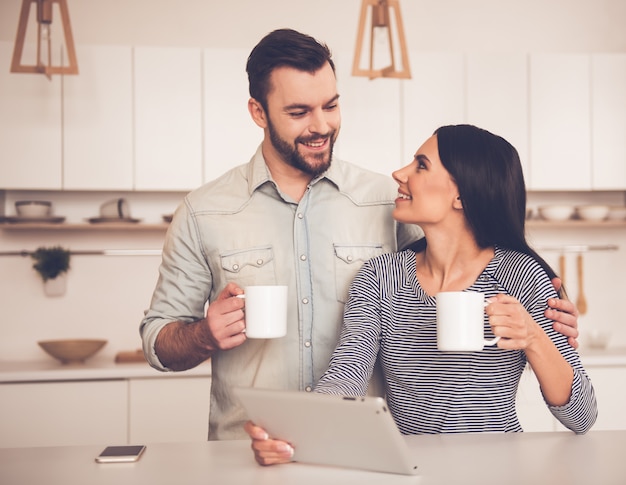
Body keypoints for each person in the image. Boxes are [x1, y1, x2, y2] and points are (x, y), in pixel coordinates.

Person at [140, 29, 580, 441]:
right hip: (254, 446)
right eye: (298, 112)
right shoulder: (204, 211)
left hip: (369, 450)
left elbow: (449, 268)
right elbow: (159, 338)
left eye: (330, 105)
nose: (321, 125)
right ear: (258, 112)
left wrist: (544, 324)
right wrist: (205, 335)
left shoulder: (387, 200)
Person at [245, 125, 597, 465]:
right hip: (407, 467)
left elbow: (582, 415)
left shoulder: (521, 277)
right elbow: (347, 374)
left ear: (461, 194)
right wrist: (291, 434)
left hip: (500, 468)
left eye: (421, 165)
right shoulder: (380, 277)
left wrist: (534, 338)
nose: (399, 173)